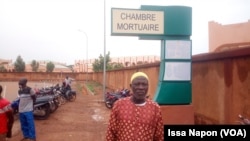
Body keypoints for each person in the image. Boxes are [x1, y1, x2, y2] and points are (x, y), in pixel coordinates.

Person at [105, 72, 164, 141]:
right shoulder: (119, 105)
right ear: (131, 86)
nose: (141, 87)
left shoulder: (155, 108)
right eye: (137, 84)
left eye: (144, 84)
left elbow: (159, 136)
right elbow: (111, 133)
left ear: (148, 86)